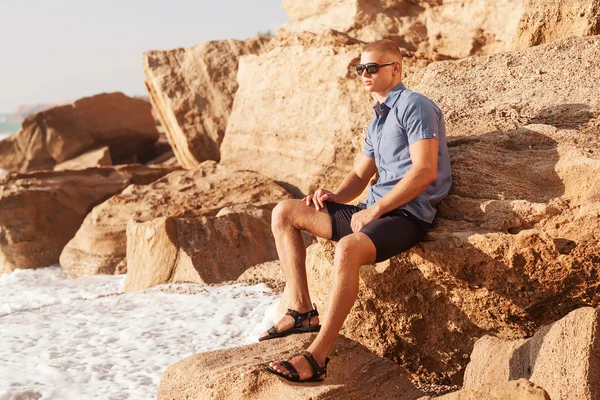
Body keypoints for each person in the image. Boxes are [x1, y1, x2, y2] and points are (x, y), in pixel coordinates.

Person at [261, 39, 452, 383]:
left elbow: (424, 171)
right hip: (372, 210)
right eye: (361, 68)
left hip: (406, 216)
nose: (365, 73)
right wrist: (334, 194)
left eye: (372, 67)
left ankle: (316, 357)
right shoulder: (378, 119)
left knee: (348, 248)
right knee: (285, 213)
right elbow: (361, 175)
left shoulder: (415, 105)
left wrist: (375, 209)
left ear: (396, 68)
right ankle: (302, 310)